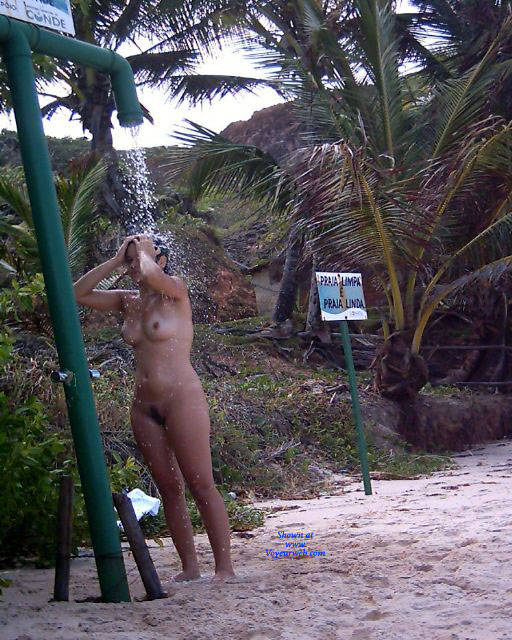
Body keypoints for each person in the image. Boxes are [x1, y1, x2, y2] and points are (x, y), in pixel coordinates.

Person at [73, 234, 235, 582]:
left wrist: (144, 252)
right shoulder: (128, 301)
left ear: (161, 259)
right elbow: (77, 293)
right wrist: (116, 260)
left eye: (139, 258)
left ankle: (224, 568)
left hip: (182, 398)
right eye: (130, 260)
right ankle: (190, 567)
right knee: (169, 488)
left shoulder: (175, 290)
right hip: (144, 405)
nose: (134, 265)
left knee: (200, 483)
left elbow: (150, 274)